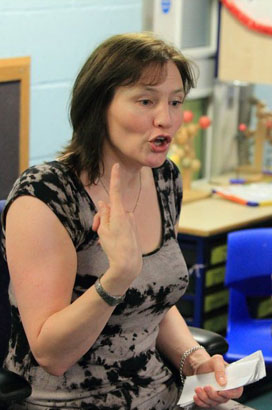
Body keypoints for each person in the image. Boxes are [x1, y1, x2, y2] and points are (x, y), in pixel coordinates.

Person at [1, 32, 243, 410]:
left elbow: (153, 303)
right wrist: (118, 276)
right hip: (70, 401)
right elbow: (52, 354)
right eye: (146, 101)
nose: (166, 118)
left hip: (161, 394)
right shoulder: (47, 195)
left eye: (175, 102)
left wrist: (194, 361)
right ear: (99, 105)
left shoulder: (164, 178)